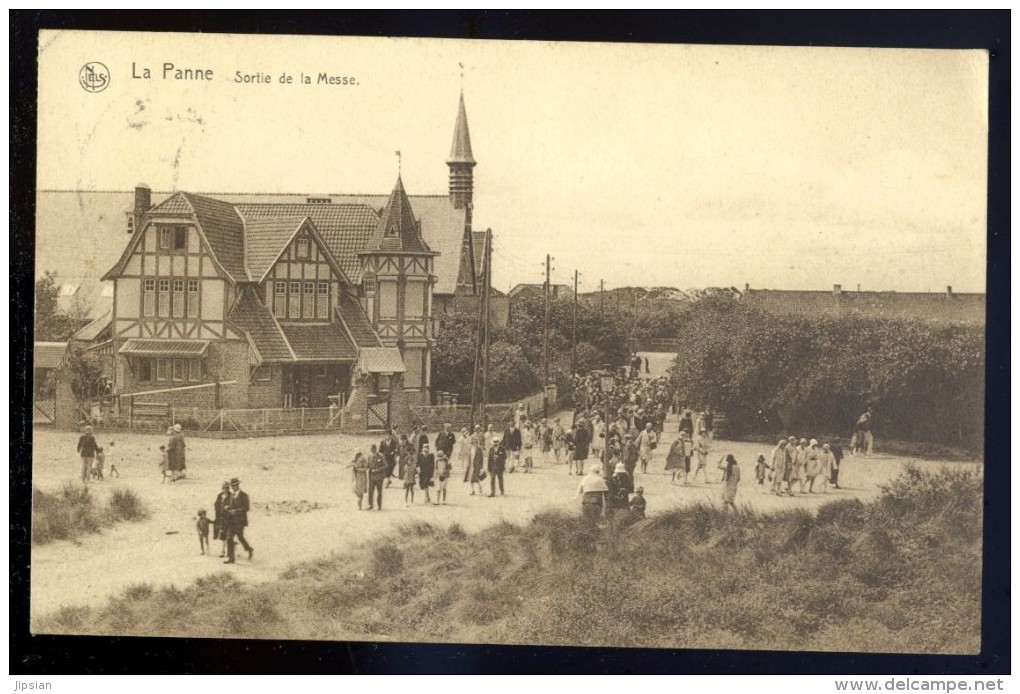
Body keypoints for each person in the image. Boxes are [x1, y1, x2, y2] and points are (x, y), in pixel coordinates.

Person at [223, 477, 253, 564]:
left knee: (240, 537)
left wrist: (236, 511)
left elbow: (246, 508)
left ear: (238, 485)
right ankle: (231, 558)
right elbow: (228, 504)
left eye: (235, 485)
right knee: (229, 538)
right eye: (232, 486)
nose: (233, 487)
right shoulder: (231, 495)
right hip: (231, 520)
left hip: (240, 521)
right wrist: (227, 507)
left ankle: (249, 549)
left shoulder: (244, 495)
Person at [213, 481, 231, 557]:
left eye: (227, 488)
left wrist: (227, 507)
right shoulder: (220, 495)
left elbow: (232, 505)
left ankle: (225, 551)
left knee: (228, 534)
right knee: (223, 534)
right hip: (221, 517)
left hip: (228, 518)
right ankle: (224, 550)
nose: (225, 489)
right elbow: (216, 504)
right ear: (222, 488)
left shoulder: (231, 496)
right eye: (224, 488)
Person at [367, 445, 387, 511]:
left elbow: (385, 465)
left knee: (379, 492)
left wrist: (377, 470)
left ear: (376, 449)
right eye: (371, 450)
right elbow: (367, 465)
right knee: (370, 491)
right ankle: (370, 505)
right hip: (371, 477)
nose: (372, 451)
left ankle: (379, 505)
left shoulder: (381, 456)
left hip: (379, 477)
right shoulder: (369, 456)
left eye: (373, 450)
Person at [466, 427, 485, 496]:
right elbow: (469, 457)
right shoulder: (470, 448)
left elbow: (481, 458)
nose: (473, 442)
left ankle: (480, 487)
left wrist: (481, 466)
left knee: (476, 478)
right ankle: (472, 490)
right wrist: (468, 464)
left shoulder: (479, 449)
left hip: (477, 466)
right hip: (471, 465)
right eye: (472, 441)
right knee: (471, 478)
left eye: (475, 441)